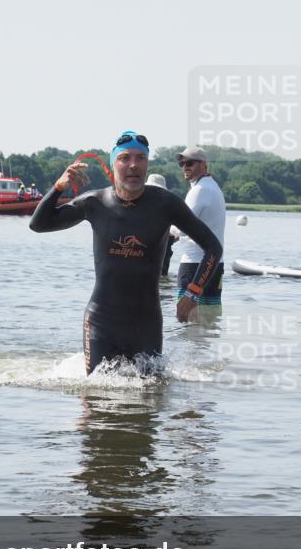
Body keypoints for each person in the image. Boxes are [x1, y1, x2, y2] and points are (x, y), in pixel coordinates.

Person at [29, 131, 223, 374]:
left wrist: (193, 293)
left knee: (150, 401)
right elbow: (39, 224)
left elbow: (213, 247)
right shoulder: (94, 203)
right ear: (113, 165)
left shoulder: (166, 204)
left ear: (147, 164)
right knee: (95, 399)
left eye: (141, 158)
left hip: (146, 325)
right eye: (125, 158)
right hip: (101, 322)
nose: (133, 165)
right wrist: (59, 187)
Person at [172, 147, 226, 306]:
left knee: (188, 322)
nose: (185, 167)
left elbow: (180, 228)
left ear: (204, 165)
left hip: (194, 266)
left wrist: (166, 229)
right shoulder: (213, 187)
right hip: (216, 265)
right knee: (209, 322)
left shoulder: (199, 190)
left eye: (190, 162)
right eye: (181, 163)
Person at [146, 173, 177, 276]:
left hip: (164, 249)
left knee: (162, 276)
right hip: (144, 251)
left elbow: (177, 233)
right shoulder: (138, 205)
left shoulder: (169, 207)